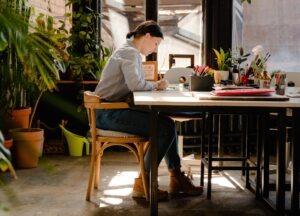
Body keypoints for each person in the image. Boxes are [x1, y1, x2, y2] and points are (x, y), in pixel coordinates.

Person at [94, 20, 203, 201]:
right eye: (156, 44)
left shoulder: (127, 50)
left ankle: (176, 177)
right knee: (164, 128)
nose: (155, 49)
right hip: (108, 113)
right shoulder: (130, 53)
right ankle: (143, 183)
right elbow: (135, 84)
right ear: (147, 36)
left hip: (109, 110)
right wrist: (157, 85)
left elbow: (134, 86)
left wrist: (153, 86)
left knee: (167, 123)